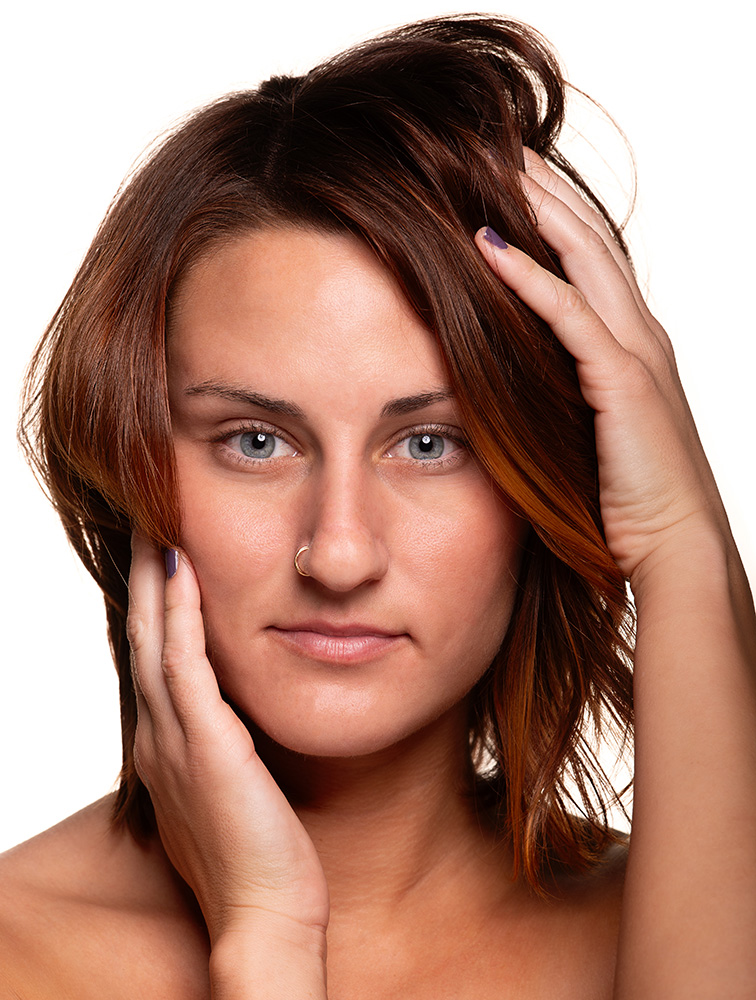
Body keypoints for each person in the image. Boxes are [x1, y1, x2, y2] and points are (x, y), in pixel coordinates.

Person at [2, 13, 754, 998]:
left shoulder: (689, 930)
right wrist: (261, 923)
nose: (341, 554)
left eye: (432, 444)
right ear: (132, 455)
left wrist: (681, 539)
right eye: (255, 441)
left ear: (545, 480)